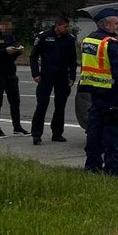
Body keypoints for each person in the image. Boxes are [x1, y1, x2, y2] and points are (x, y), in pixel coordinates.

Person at [79, 8, 118, 178]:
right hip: (110, 94)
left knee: (94, 130)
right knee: (112, 134)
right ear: (107, 24)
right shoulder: (111, 44)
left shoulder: (88, 41)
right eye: (116, 23)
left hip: (93, 92)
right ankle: (114, 168)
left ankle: (92, 165)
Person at [29, 17, 77, 145]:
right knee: (42, 104)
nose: (67, 29)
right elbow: (33, 56)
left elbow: (73, 59)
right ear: (57, 25)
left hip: (62, 76)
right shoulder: (44, 37)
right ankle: (37, 134)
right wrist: (35, 73)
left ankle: (57, 132)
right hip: (46, 75)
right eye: (64, 27)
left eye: (68, 27)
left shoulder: (69, 39)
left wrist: (72, 76)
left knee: (60, 105)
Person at [0, 16, 29, 138]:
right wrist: (4, 51)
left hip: (10, 72)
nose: (9, 28)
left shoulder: (9, 36)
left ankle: (17, 127)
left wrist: (17, 51)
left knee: (15, 100)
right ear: (1, 24)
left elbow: (11, 56)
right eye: (7, 26)